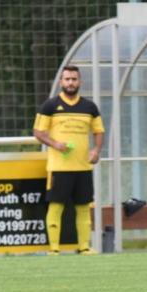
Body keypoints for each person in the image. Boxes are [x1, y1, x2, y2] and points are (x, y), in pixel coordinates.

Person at [33, 65, 105, 256]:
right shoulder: (50, 106)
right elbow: (38, 132)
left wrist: (96, 150)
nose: (71, 82)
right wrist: (55, 144)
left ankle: (83, 247)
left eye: (74, 79)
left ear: (80, 82)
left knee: (83, 206)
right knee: (56, 205)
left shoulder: (89, 107)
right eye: (67, 79)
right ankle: (54, 249)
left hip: (83, 167)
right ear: (61, 82)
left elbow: (98, 131)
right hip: (59, 167)